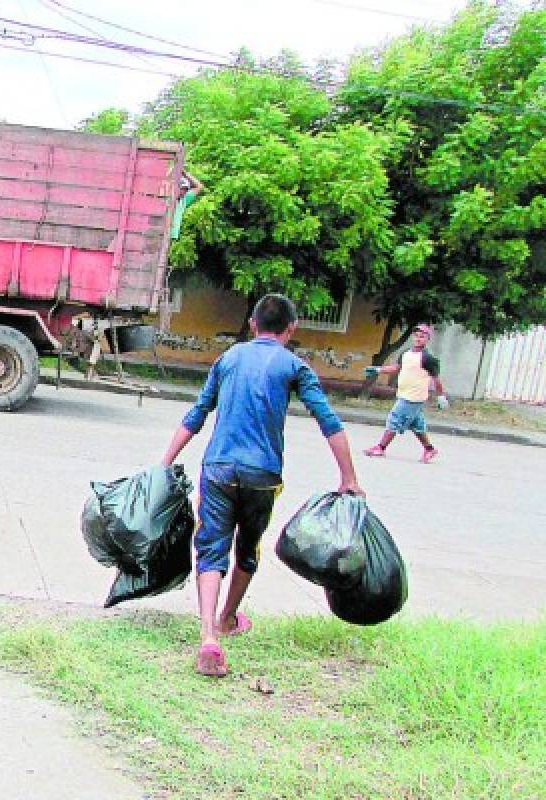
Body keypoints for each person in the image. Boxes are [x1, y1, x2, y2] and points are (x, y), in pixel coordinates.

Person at [160, 294, 363, 677]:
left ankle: (208, 635)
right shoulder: (294, 366)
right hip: (262, 476)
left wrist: (165, 462)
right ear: (292, 328)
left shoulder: (229, 358)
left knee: (210, 547)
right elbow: (329, 422)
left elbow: (198, 413)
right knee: (247, 548)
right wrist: (349, 479)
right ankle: (227, 618)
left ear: (252, 324)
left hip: (219, 468)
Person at [363, 323, 448, 463]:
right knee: (417, 425)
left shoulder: (428, 358)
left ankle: (380, 448)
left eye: (423, 336)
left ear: (427, 339)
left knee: (394, 418)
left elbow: (436, 379)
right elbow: (397, 367)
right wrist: (378, 369)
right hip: (404, 393)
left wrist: (441, 396)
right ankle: (429, 449)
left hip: (414, 397)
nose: (419, 338)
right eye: (417, 335)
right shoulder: (406, 353)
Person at [170, 171, 204, 240]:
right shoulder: (169, 198)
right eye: (182, 188)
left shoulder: (184, 200)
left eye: (185, 189)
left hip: (173, 235)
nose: (183, 192)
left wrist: (186, 174)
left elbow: (199, 186)